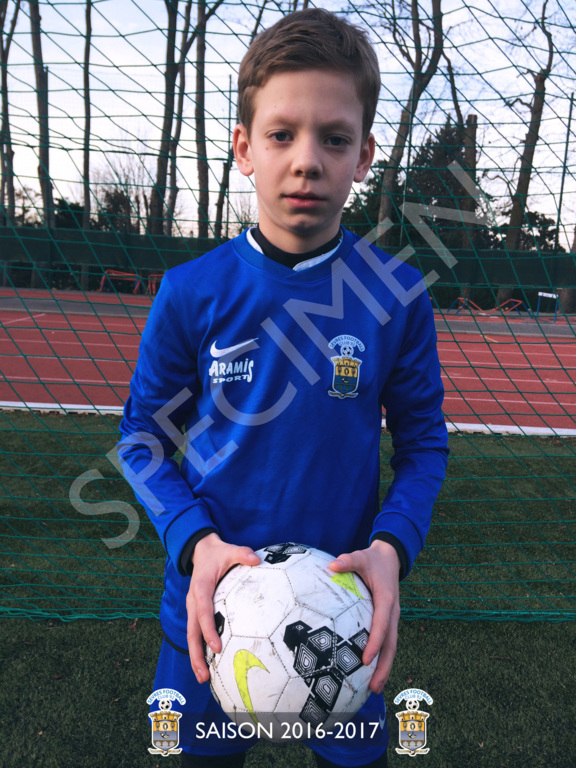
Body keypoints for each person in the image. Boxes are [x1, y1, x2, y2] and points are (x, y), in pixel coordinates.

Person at [118, 8, 448, 768]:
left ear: (363, 156)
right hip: (210, 612)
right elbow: (141, 440)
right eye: (281, 134)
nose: (307, 161)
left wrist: (391, 547)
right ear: (244, 148)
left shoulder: (396, 294)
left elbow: (424, 444)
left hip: (343, 616)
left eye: (333, 138)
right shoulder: (190, 292)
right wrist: (194, 541)